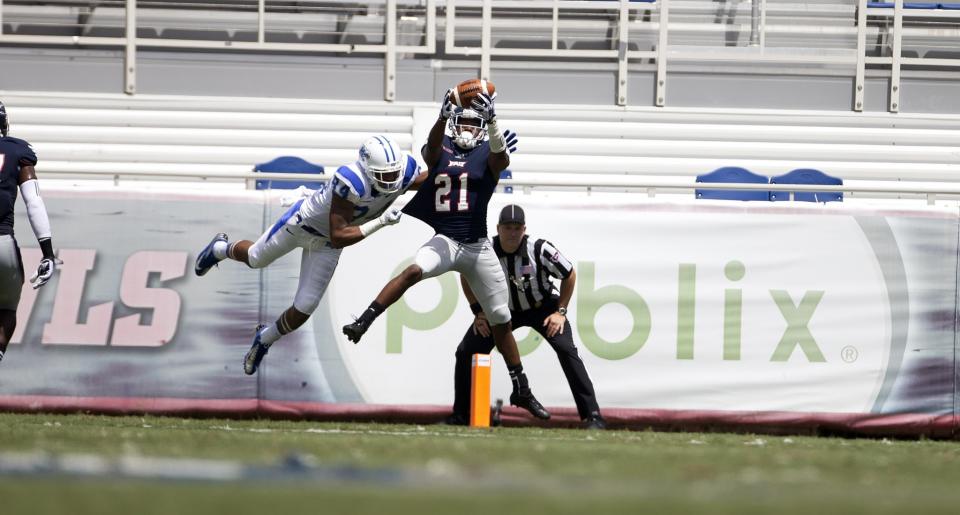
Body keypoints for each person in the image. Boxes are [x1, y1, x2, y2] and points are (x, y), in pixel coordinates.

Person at [341, 87, 550, 421]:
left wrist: (494, 123)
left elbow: (502, 159)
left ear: (482, 126)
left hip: (478, 245)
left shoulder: (487, 152)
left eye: (474, 123)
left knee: (500, 319)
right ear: (454, 123)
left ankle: (520, 387)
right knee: (412, 271)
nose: (468, 128)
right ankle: (364, 320)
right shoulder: (443, 149)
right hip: (446, 240)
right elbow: (432, 148)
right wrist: (441, 116)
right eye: (462, 122)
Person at [195, 135, 426, 375]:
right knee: (255, 258)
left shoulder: (405, 170)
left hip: (326, 244)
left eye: (394, 173)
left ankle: (264, 338)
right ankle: (219, 249)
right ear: (367, 169)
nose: (391, 180)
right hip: (302, 225)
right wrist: (380, 222)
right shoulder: (351, 180)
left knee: (305, 307)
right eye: (384, 175)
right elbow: (339, 235)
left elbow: (431, 179)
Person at [448, 205, 606, 429]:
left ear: (524, 229)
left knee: (566, 350)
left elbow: (569, 274)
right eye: (507, 227)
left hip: (543, 308)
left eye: (517, 228)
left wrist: (560, 312)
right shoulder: (485, 250)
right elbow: (466, 275)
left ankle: (593, 415)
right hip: (503, 310)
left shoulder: (540, 249)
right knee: (465, 351)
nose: (512, 233)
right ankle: (461, 415)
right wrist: (478, 312)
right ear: (498, 228)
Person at [0, 100, 61, 364]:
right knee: (6, 310)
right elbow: (34, 201)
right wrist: (47, 253)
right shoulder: (17, 150)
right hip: (2, 243)